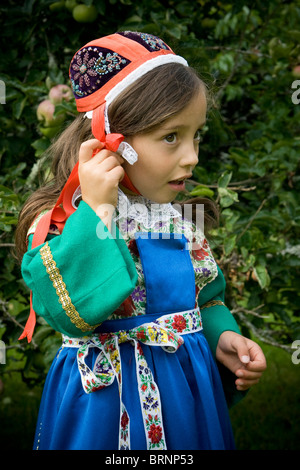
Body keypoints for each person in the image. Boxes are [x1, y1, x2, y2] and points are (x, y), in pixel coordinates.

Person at [15, 31, 266, 450]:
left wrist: (223, 336)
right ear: (111, 142)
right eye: (171, 137)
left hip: (183, 397)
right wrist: (97, 211)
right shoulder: (62, 219)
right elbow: (66, 312)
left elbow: (207, 299)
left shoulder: (179, 220)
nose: (192, 156)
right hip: (103, 404)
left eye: (196, 135)